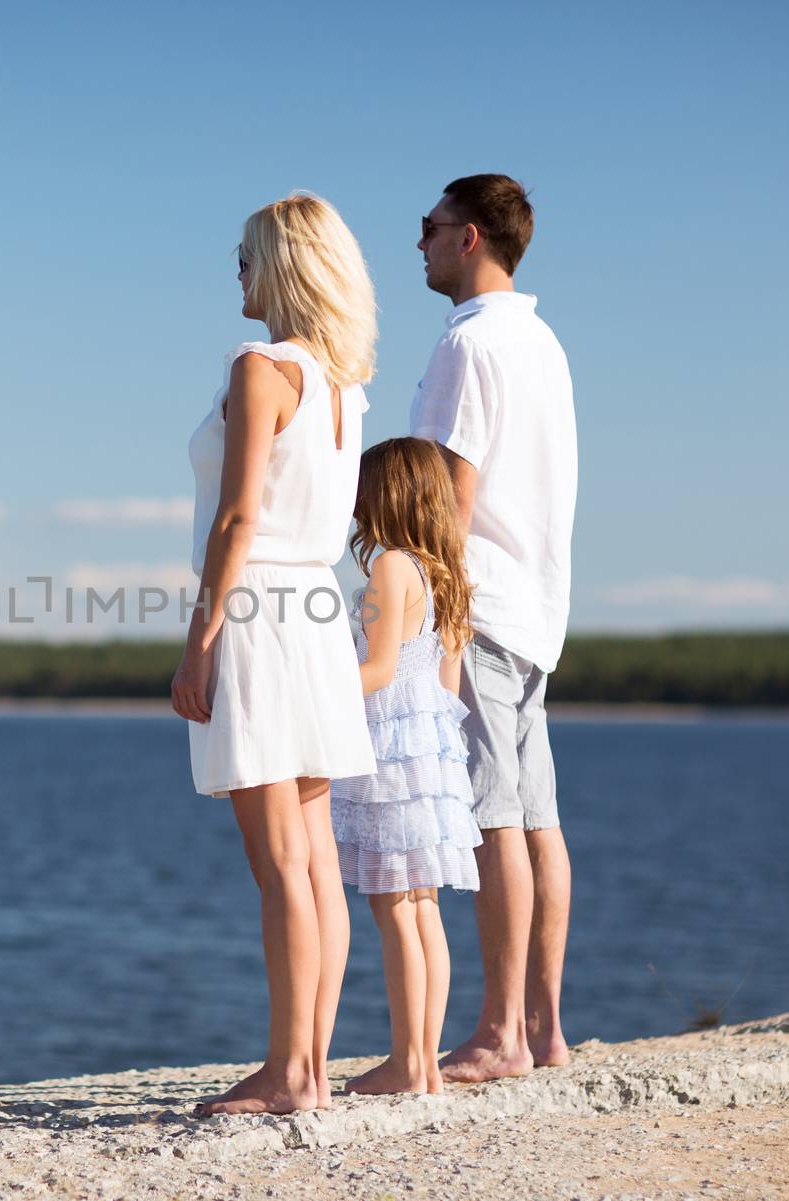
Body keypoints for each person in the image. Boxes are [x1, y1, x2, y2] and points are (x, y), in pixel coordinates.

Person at [172, 192, 378, 1116]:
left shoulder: (262, 369)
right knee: (315, 860)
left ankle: (290, 1073)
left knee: (279, 865)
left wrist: (199, 639)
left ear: (285, 267)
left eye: (248, 258)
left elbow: (238, 514)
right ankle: (313, 1066)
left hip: (260, 613)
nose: (239, 274)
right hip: (319, 615)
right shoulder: (345, 388)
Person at [409, 174, 578, 1082]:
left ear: (469, 237)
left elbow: (451, 493)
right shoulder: (544, 343)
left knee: (492, 817)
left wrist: (430, 614)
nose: (419, 242)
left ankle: (500, 1034)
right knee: (537, 818)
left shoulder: (470, 346)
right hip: (537, 607)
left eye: (429, 226)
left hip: (478, 604)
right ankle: (545, 1031)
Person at [333, 436, 483, 1096]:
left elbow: (378, 668)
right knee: (423, 909)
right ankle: (424, 1063)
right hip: (434, 755)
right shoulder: (443, 573)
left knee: (395, 908)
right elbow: (446, 683)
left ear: (385, 495)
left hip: (392, 750)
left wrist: (314, 686)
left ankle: (407, 1062)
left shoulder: (392, 566)